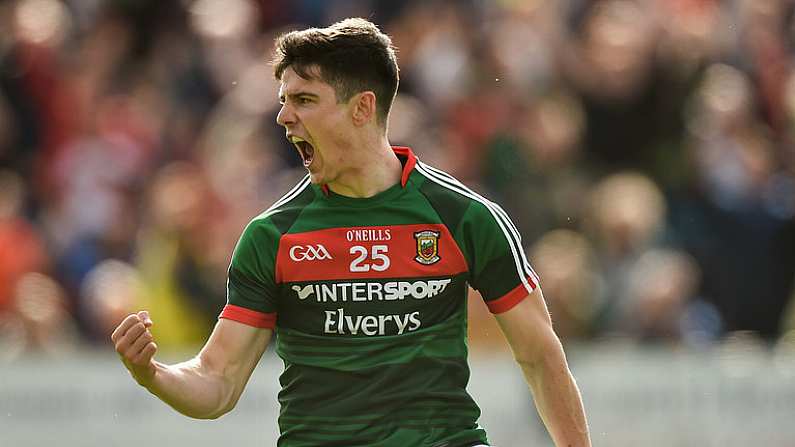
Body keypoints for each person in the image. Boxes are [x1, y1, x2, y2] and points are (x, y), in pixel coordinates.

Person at [111, 18, 591, 447]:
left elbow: (540, 356)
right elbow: (217, 381)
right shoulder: (272, 236)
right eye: (283, 101)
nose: (283, 117)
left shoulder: (464, 217)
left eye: (303, 100)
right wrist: (152, 373)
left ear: (362, 108)